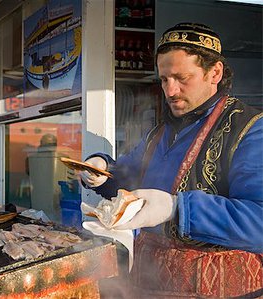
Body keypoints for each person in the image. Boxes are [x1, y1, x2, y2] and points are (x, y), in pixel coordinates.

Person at [80, 23, 263, 297]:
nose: (170, 90)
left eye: (181, 78)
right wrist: (102, 170)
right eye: (164, 79)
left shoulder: (249, 129)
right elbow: (130, 175)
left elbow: (259, 221)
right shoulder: (160, 132)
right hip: (147, 284)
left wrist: (177, 208)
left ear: (215, 72)